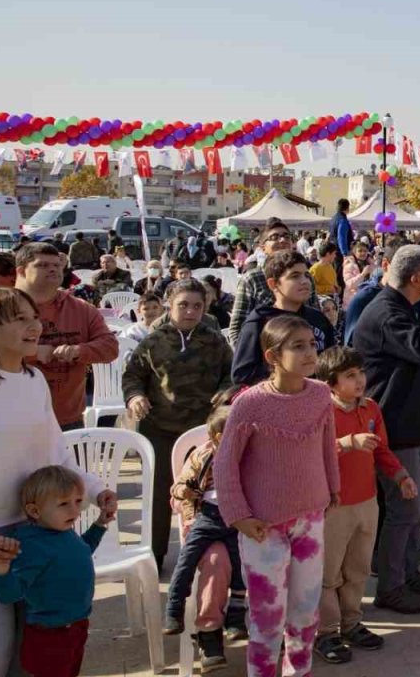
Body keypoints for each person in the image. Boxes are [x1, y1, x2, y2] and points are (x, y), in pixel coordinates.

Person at [0, 287, 117, 674]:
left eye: (35, 318)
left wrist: (96, 490)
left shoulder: (33, 380)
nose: (35, 327)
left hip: (39, 537)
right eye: (20, 319)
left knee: (30, 655)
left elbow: (56, 452)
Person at [215, 315, 340, 677]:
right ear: (272, 356)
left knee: (305, 611)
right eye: (297, 346)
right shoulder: (249, 404)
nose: (309, 353)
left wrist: (332, 488)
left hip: (311, 519)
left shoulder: (319, 394)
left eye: (312, 345)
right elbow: (226, 465)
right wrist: (238, 515)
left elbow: (326, 447)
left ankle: (299, 671)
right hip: (263, 527)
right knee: (267, 618)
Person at [352, 245, 420, 612]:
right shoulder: (386, 311)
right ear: (417, 280)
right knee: (404, 509)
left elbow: (417, 356)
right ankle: (390, 585)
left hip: (412, 423)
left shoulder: (402, 308)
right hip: (394, 427)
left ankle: (408, 571)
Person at [314, 347, 417, 662]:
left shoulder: (371, 408)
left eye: (361, 373)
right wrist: (346, 444)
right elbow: (310, 455)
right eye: (350, 376)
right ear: (331, 383)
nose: (360, 380)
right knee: (329, 573)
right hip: (334, 505)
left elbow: (381, 450)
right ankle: (326, 632)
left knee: (358, 567)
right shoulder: (321, 411)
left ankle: (352, 622)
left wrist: (401, 476)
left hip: (367, 502)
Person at [123, 278, 233, 570]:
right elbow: (133, 376)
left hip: (203, 432)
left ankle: (206, 555)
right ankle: (155, 556)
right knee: (160, 495)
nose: (190, 311)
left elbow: (230, 374)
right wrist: (135, 397)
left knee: (206, 495)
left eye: (197, 306)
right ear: (169, 305)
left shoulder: (215, 340)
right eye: (183, 305)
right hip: (160, 427)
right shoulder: (153, 341)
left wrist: (226, 389)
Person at [0, 466, 113, 677]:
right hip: (50, 636)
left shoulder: (63, 531)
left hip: (76, 627)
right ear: (34, 511)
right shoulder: (32, 545)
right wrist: (1, 570)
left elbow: (83, 550)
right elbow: (10, 594)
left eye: (78, 501)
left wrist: (100, 525)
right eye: (63, 504)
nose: (75, 511)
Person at [161, 403, 244, 670]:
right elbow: (178, 492)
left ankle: (255, 624)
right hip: (206, 521)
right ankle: (209, 634)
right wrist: (189, 511)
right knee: (216, 562)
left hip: (244, 523)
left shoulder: (252, 455)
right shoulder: (203, 455)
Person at [14, 243, 119, 428]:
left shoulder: (81, 309)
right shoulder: (2, 307)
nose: (53, 269)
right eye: (43, 265)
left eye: (57, 265)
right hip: (10, 420)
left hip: (68, 420)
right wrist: (34, 353)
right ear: (21, 271)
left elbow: (110, 347)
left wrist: (79, 350)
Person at [231, 250, 335, 386]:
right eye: (294, 276)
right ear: (273, 284)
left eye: (306, 275)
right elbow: (242, 375)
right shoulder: (260, 321)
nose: (304, 281)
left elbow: (334, 362)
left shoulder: (318, 318)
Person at [227, 220, 318, 345]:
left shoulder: (306, 277)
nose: (282, 240)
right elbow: (237, 329)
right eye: (274, 237)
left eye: (286, 236)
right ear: (263, 247)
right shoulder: (252, 279)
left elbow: (316, 319)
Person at [341, 241, 373, 309]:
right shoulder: (349, 265)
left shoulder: (371, 264)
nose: (363, 253)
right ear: (355, 252)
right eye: (360, 251)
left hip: (367, 301)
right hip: (352, 302)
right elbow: (349, 284)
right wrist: (363, 274)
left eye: (365, 251)